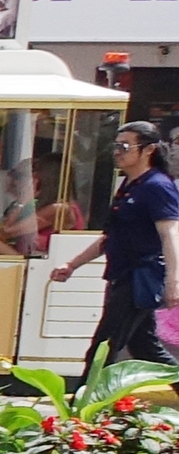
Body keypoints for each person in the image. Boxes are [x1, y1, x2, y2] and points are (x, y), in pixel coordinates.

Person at [52, 121, 179, 365]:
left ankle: (85, 401)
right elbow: (110, 237)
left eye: (125, 146)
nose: (117, 152)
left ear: (149, 150)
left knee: (103, 347)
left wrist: (173, 281)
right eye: (116, 146)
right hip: (122, 275)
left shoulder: (157, 186)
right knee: (146, 349)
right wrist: (72, 265)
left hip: (139, 277)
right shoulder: (130, 186)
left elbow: (170, 234)